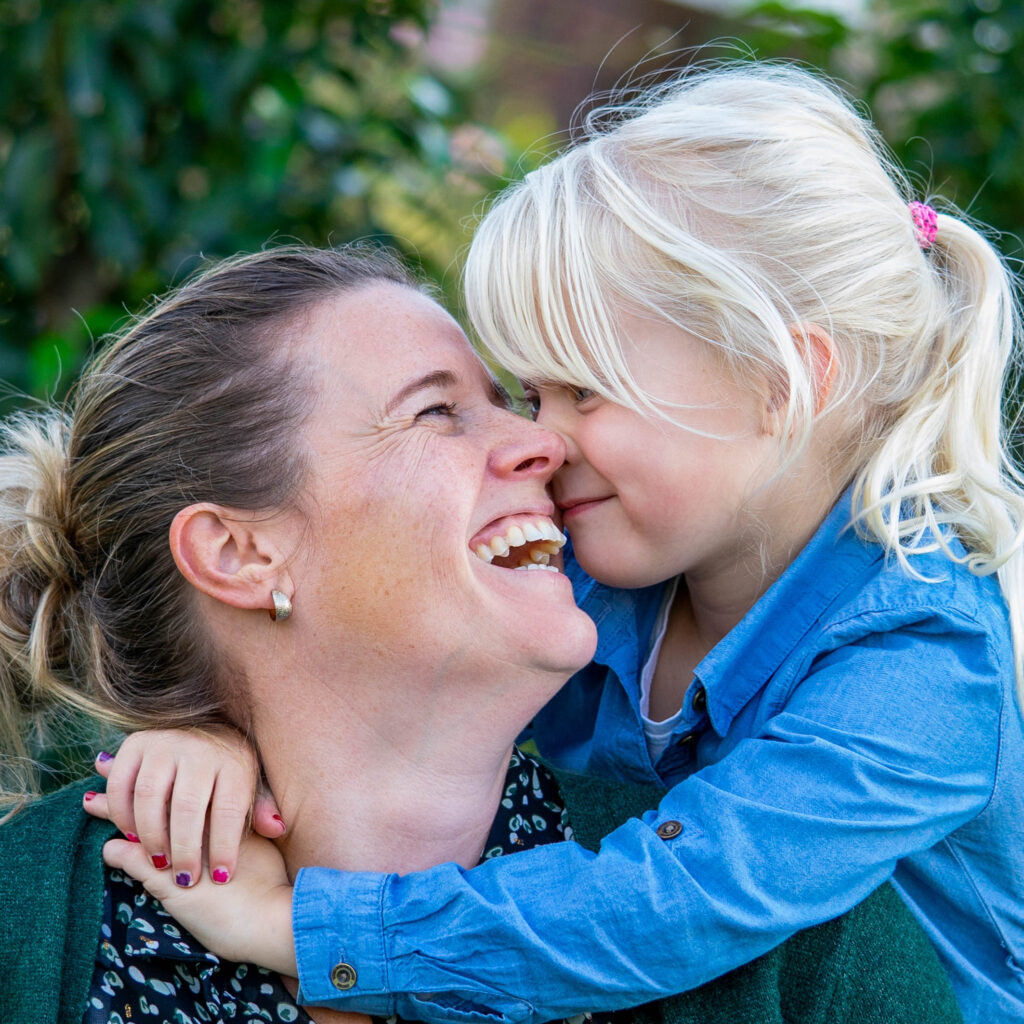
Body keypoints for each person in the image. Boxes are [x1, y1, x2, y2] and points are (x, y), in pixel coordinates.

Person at [92, 62, 1024, 1023]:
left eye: (586, 391)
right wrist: (211, 736)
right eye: (529, 394)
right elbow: (368, 650)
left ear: (784, 381)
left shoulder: (922, 664)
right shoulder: (606, 563)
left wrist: (307, 934)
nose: (543, 438)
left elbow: (673, 901)